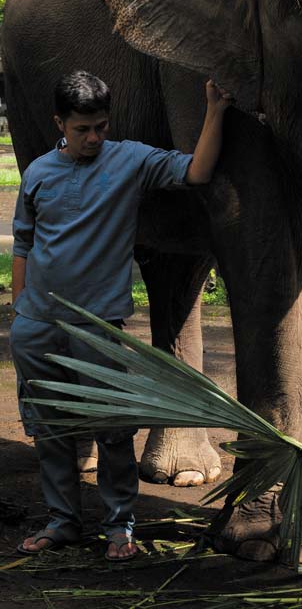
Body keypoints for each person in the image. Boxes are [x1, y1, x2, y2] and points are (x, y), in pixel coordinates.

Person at [10, 70, 232, 560]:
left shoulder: (131, 160)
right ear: (59, 124)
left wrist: (214, 112)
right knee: (51, 431)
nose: (93, 139)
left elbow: (196, 171)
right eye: (81, 130)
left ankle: (119, 528)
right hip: (37, 327)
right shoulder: (39, 173)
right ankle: (62, 522)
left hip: (98, 328)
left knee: (113, 431)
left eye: (100, 127)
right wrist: (20, 304)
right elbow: (23, 241)